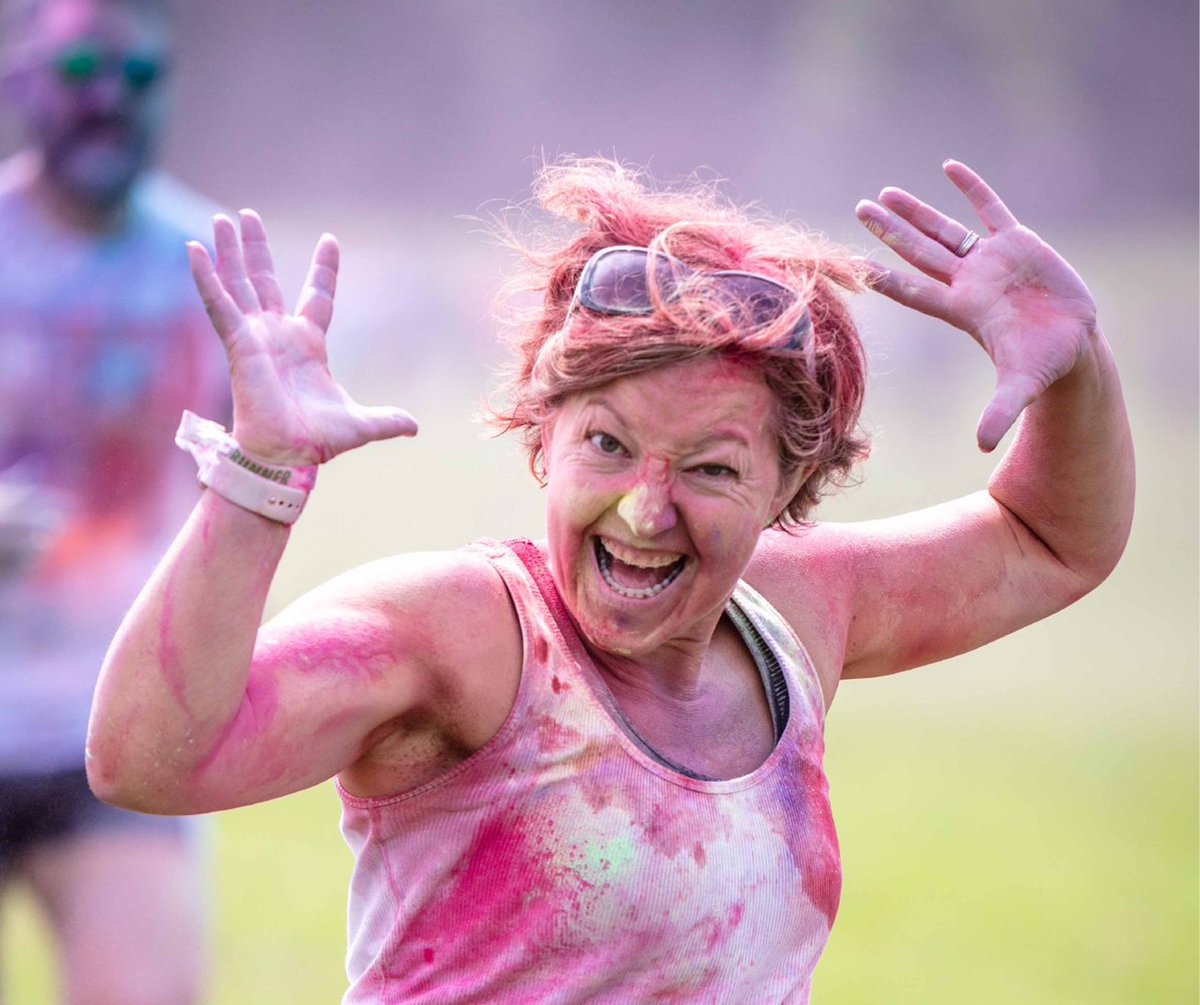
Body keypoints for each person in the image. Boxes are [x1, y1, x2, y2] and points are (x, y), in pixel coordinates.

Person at [86, 155, 1133, 1003]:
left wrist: (1078, 362)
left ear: (790, 482)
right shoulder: (465, 635)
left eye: (711, 468)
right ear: (542, 437)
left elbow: (1051, 539)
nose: (645, 510)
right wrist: (259, 475)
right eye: (607, 445)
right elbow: (148, 763)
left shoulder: (800, 612)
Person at [0, 0, 226, 1000]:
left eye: (138, 76)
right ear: (22, 81)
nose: (108, 98)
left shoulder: (209, 267)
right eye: (79, 68)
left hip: (109, 732)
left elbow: (244, 493)